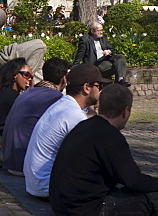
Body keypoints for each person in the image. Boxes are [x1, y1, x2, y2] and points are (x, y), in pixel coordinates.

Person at [50, 83, 158, 215]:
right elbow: (135, 181)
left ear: (100, 106)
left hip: (61, 204)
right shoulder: (111, 137)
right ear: (126, 111)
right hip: (82, 209)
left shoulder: (83, 126)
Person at [23, 64, 104, 198]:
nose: (101, 91)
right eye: (99, 86)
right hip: (47, 187)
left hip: (35, 183)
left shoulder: (63, 105)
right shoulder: (74, 115)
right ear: (87, 88)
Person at [1, 57, 69, 175]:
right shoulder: (56, 99)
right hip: (27, 166)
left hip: (9, 161)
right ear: (64, 79)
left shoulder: (26, 93)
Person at [75, 22, 130, 87]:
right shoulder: (85, 40)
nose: (101, 32)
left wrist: (109, 51)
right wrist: (74, 68)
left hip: (106, 60)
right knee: (117, 67)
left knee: (120, 57)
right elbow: (80, 55)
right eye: (99, 30)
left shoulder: (103, 38)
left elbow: (111, 49)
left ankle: (120, 79)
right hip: (95, 64)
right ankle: (118, 83)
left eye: (102, 30)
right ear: (92, 30)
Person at [0, 58, 33, 130]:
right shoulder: (11, 96)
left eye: (31, 77)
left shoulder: (3, 91)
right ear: (15, 75)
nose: (29, 79)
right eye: (26, 75)